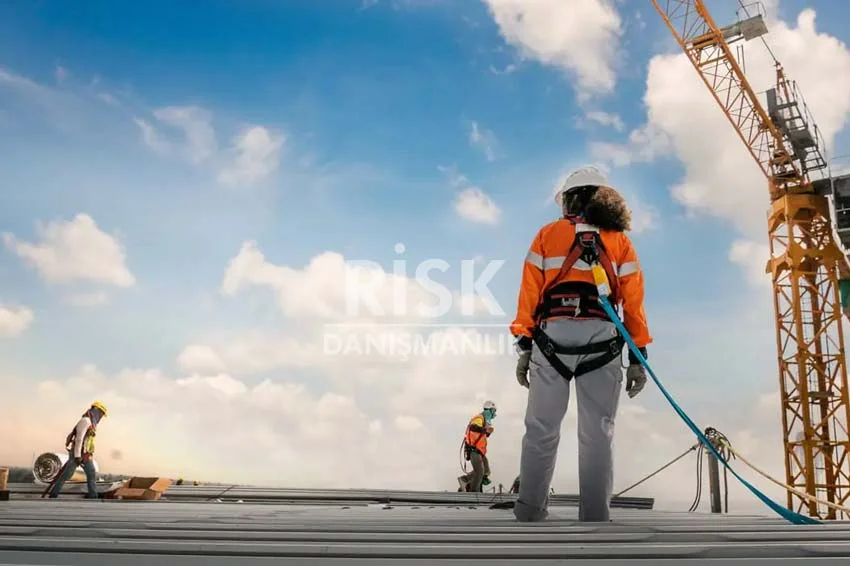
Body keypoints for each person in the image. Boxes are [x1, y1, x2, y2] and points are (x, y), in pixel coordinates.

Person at [510, 166, 651, 522]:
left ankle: (529, 511)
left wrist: (524, 344)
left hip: (552, 337)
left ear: (569, 200)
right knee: (598, 431)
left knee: (541, 428)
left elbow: (529, 292)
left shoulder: (547, 234)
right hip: (602, 338)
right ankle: (595, 516)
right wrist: (638, 355)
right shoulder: (619, 240)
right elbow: (633, 301)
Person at [47, 401, 108, 499]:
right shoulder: (86, 421)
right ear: (96, 410)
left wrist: (88, 454)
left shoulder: (92, 423)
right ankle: (53, 494)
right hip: (78, 455)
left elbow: (87, 441)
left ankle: (93, 496)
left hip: (86, 455)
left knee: (91, 474)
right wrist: (77, 456)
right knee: (66, 475)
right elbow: (79, 439)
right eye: (101, 413)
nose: (101, 416)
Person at [458, 400, 497, 492]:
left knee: (486, 471)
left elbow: (482, 435)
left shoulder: (484, 422)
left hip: (480, 451)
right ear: (489, 410)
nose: (494, 414)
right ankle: (473, 492)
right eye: (493, 411)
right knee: (479, 472)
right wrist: (485, 430)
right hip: (474, 450)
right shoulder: (479, 418)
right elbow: (473, 427)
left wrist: (488, 432)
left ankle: (466, 482)